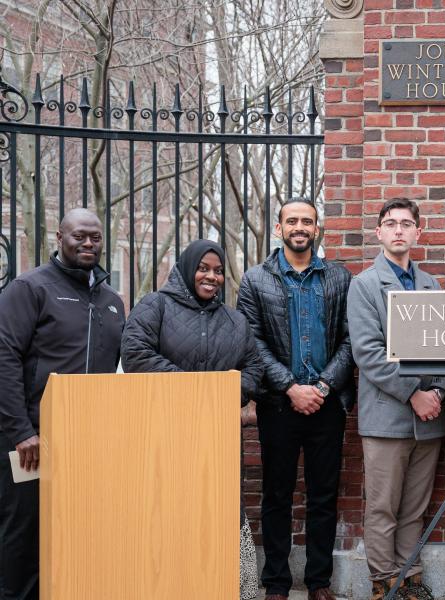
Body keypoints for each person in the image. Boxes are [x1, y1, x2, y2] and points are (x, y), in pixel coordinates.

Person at [119, 239, 263, 600]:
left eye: (217, 271)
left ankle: (221, 587)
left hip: (214, 439)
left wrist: (224, 393)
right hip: (160, 433)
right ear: (186, 268)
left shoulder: (234, 320)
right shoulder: (155, 306)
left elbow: (255, 366)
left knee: (214, 516)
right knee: (163, 514)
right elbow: (134, 352)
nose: (211, 277)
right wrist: (193, 388)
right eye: (204, 268)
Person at [0, 208, 125, 600]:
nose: (89, 243)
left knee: (78, 533)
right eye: (79, 236)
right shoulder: (30, 288)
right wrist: (22, 431)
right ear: (59, 237)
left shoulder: (111, 301)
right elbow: (4, 357)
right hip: (32, 442)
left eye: (96, 237)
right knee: (24, 536)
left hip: (87, 444)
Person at [237, 198, 354, 600]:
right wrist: (290, 387)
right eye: (292, 221)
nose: (300, 227)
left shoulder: (339, 278)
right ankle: (277, 583)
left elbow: (349, 339)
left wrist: (322, 388)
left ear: (317, 229)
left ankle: (319, 581)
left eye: (307, 221)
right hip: (278, 405)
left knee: (323, 495)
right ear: (279, 228)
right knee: (276, 496)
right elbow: (251, 341)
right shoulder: (256, 279)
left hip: (326, 405)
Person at [347, 198, 445, 600]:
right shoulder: (365, 285)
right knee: (383, 507)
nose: (398, 231)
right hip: (388, 416)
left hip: (429, 419)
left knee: (413, 508)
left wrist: (438, 392)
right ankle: (383, 581)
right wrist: (414, 394)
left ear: (417, 233)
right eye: (390, 224)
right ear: (379, 232)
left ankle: (409, 578)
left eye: (406, 224)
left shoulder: (430, 285)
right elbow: (368, 353)